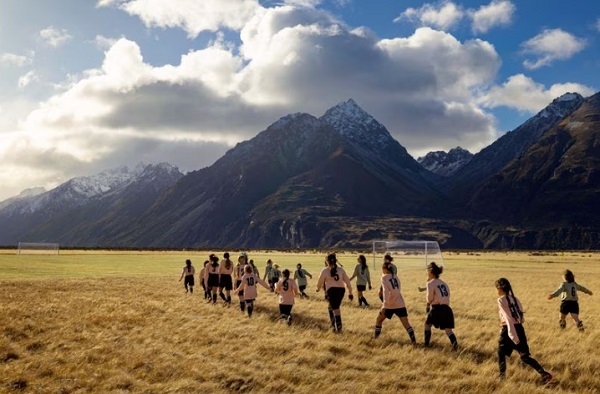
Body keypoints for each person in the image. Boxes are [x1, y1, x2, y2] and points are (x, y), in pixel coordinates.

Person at [496, 278, 553, 383]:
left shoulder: (501, 300)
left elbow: (508, 318)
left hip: (509, 329)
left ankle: (501, 377)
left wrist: (512, 335)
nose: (496, 291)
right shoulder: (515, 298)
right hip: (519, 328)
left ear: (500, 288)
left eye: (496, 288)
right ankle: (544, 374)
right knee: (525, 356)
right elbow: (521, 315)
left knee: (501, 353)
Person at [374, 260, 416, 343]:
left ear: (385, 269)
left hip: (389, 304)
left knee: (379, 320)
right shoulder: (396, 277)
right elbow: (398, 289)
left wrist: (384, 305)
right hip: (400, 303)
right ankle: (414, 341)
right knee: (406, 324)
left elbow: (385, 292)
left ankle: (376, 339)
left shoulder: (384, 277)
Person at [424, 262, 458, 350]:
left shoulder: (430, 283)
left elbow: (429, 298)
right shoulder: (444, 283)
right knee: (448, 330)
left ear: (431, 273)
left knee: (427, 325)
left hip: (437, 308)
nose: (427, 274)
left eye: (428, 272)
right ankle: (455, 347)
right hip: (446, 308)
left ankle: (426, 345)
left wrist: (428, 304)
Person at [316, 253, 353, 333]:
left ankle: (338, 328)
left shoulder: (325, 271)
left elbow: (320, 282)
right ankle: (333, 324)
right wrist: (350, 293)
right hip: (341, 291)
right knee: (331, 307)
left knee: (336, 309)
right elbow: (348, 282)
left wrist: (318, 289)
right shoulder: (341, 270)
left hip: (331, 291)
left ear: (327, 261)